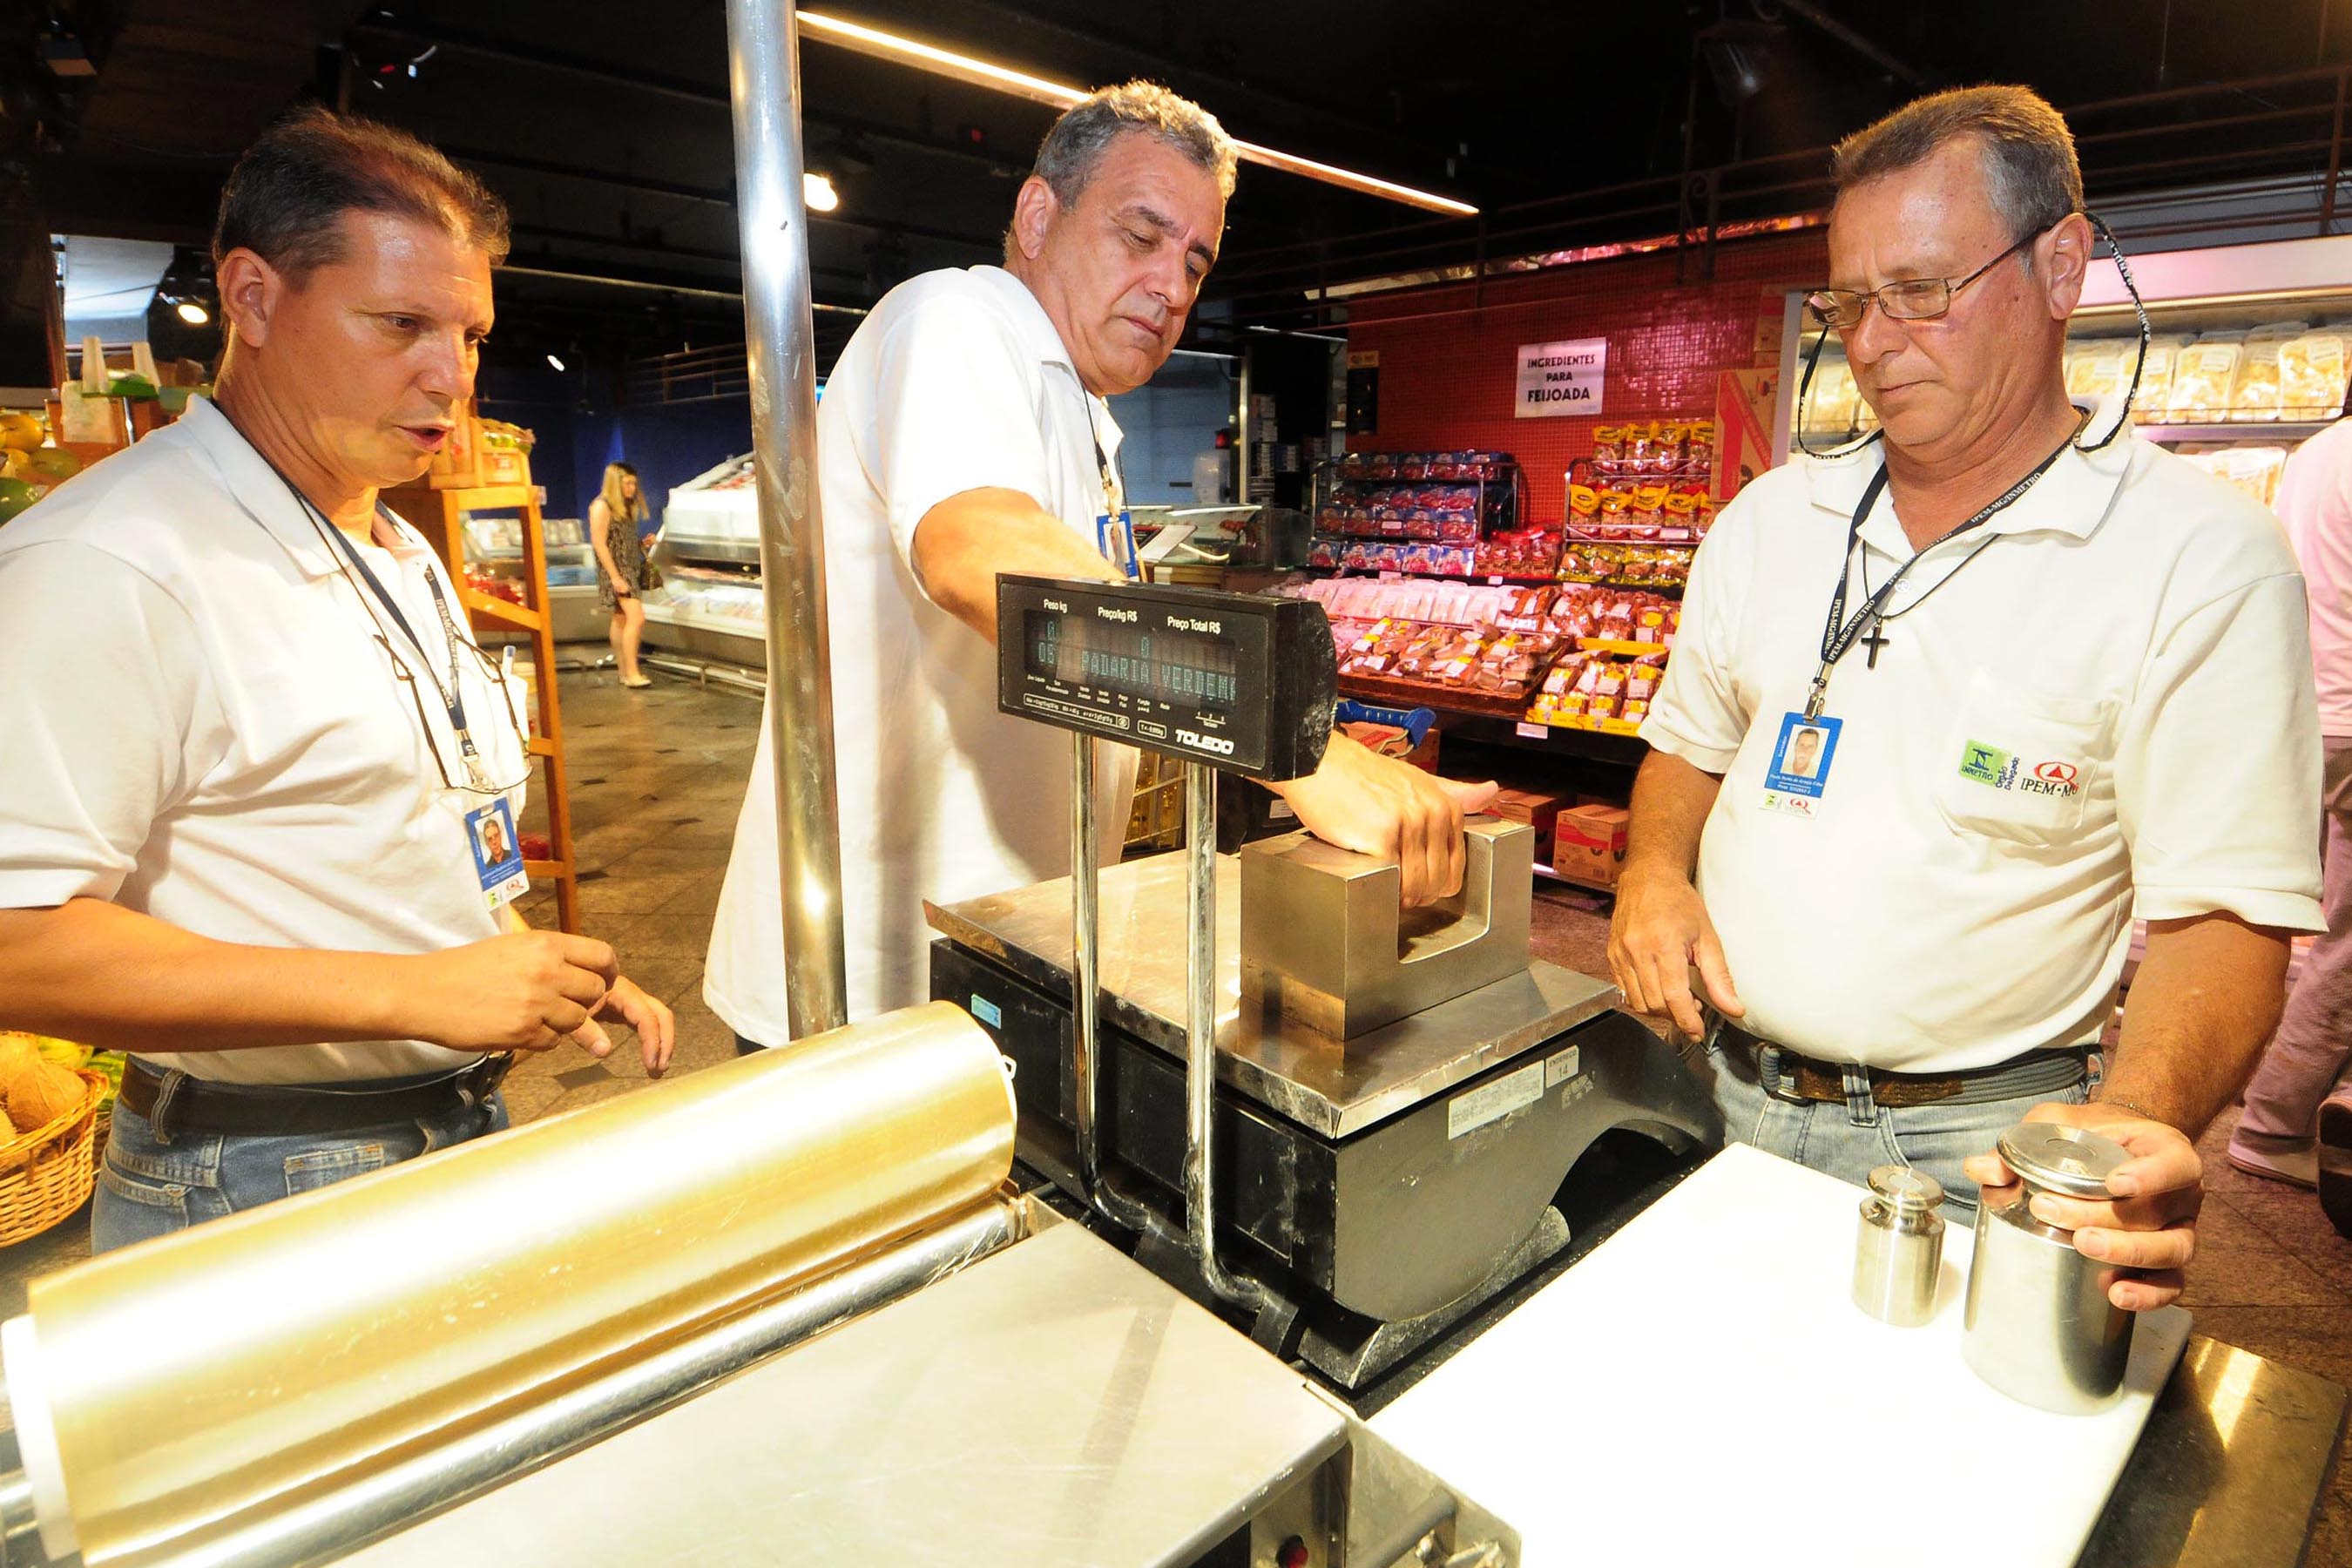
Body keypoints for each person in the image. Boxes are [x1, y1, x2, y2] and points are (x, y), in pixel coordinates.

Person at [1609, 84, 2322, 1315]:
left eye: (1923, 291)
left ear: (2060, 266)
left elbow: (2227, 919)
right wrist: (1651, 874)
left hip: (1978, 1153)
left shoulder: (2198, 561)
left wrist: (2127, 1127)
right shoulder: (1771, 520)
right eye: (1850, 302)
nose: (1876, 343)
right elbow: (1688, 747)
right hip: (1711, 1085)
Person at [0, 107, 674, 1253]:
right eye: (401, 323)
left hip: (445, 1125)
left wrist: (514, 962)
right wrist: (416, 995)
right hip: (260, 1177)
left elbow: (378, 824)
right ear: (254, 298)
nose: (447, 376)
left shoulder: (390, 545)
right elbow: (16, 941)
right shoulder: (113, 560)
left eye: (468, 335)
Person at [708, 81, 1492, 1045]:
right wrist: (1288, 741)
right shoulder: (956, 320)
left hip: (991, 957)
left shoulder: (1080, 412)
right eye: (1141, 235)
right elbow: (979, 550)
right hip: (865, 995)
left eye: (1196, 261)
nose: (1172, 288)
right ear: (1039, 215)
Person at [2230, 416, 2352, 1230]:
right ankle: (2277, 1117)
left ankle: (2278, 1102)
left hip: (2305, 697)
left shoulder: (2319, 449)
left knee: (2291, 905)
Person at [590, 461, 656, 688]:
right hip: (617, 570)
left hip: (629, 566)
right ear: (615, 483)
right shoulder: (601, 506)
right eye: (627, 483)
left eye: (634, 483)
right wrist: (615, 577)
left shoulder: (625, 508)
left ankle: (624, 672)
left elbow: (620, 539)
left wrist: (641, 544)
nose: (632, 488)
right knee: (636, 618)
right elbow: (599, 543)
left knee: (621, 620)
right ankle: (633, 672)